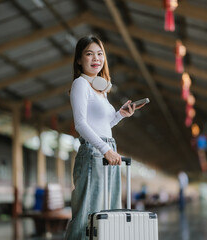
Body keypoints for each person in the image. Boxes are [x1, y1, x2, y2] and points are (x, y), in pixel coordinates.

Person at [64, 35, 145, 240]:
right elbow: (81, 124)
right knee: (86, 216)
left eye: (100, 54)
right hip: (94, 153)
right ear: (79, 60)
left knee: (106, 214)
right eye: (89, 54)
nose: (96, 58)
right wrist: (105, 150)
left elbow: (102, 126)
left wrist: (120, 115)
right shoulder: (80, 85)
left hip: (107, 151)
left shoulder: (100, 89)